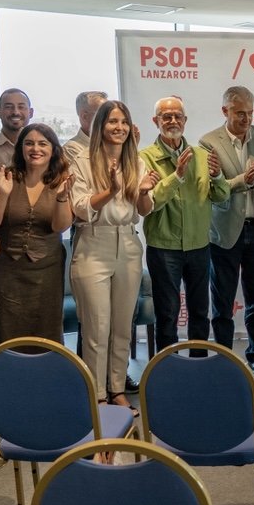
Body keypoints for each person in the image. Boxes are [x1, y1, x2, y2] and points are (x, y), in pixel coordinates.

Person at [69, 100, 156, 411]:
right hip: (93, 244)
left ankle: (117, 390)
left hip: (129, 245)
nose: (118, 128)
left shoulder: (137, 160)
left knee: (122, 325)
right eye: (111, 122)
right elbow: (80, 207)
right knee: (96, 326)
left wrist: (143, 192)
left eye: (123, 122)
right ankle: (97, 396)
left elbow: (144, 210)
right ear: (99, 126)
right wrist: (111, 187)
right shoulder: (81, 159)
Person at [199, 86, 254, 381]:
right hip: (224, 231)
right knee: (222, 302)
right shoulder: (208, 142)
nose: (247, 118)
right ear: (225, 111)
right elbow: (213, 189)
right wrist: (240, 180)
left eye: (250, 112)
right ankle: (223, 358)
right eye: (240, 113)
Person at [138, 96, 231, 354]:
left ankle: (198, 362)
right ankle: (166, 367)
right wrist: (177, 176)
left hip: (199, 246)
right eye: (166, 116)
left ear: (185, 121)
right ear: (155, 121)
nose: (172, 121)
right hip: (163, 247)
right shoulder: (144, 158)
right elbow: (150, 203)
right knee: (167, 313)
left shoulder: (201, 155)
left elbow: (221, 196)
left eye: (177, 116)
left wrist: (218, 175)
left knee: (200, 312)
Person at [0, 123, 74, 343]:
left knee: (47, 327)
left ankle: (47, 375)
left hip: (48, 269)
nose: (36, 149)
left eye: (43, 143)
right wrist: (4, 194)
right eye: (29, 143)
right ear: (21, 148)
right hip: (7, 269)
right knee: (7, 327)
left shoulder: (62, 179)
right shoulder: (5, 176)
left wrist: (62, 197)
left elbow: (60, 227)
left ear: (53, 149)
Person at [63, 90, 108, 161]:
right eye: (103, 114)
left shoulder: (111, 142)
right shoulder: (71, 149)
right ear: (84, 116)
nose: (109, 118)